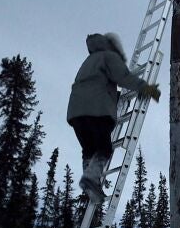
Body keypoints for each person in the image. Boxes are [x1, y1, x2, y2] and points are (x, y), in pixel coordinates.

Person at [67, 33, 160, 202]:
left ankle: (90, 185)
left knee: (89, 150)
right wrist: (145, 88)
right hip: (95, 110)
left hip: (76, 112)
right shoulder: (109, 56)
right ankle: (91, 179)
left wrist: (114, 98)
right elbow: (123, 77)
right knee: (105, 149)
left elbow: (95, 84)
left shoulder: (89, 61)